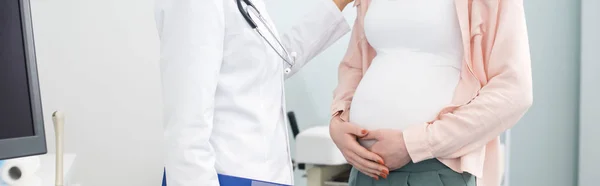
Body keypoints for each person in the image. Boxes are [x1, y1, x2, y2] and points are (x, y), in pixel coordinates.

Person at [329, 0, 533, 185]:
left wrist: (413, 144)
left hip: (436, 169)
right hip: (364, 171)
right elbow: (353, 65)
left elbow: (514, 91)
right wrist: (339, 120)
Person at [154, 0, 354, 185]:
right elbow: (185, 133)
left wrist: (337, 3)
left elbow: (271, 64)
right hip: (226, 175)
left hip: (262, 176)